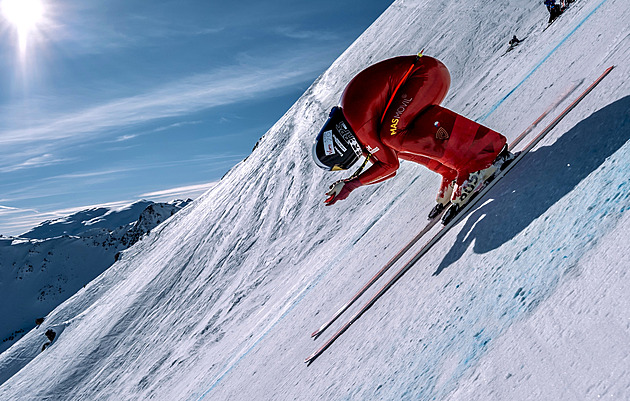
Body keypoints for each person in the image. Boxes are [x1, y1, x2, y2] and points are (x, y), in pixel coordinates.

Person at [311, 53, 514, 224]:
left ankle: (474, 162)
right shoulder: (350, 121)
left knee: (392, 135)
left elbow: (389, 166)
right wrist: (350, 183)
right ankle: (451, 169)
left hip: (424, 75)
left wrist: (350, 184)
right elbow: (388, 162)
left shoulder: (358, 125)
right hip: (424, 75)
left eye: (341, 164)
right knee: (393, 141)